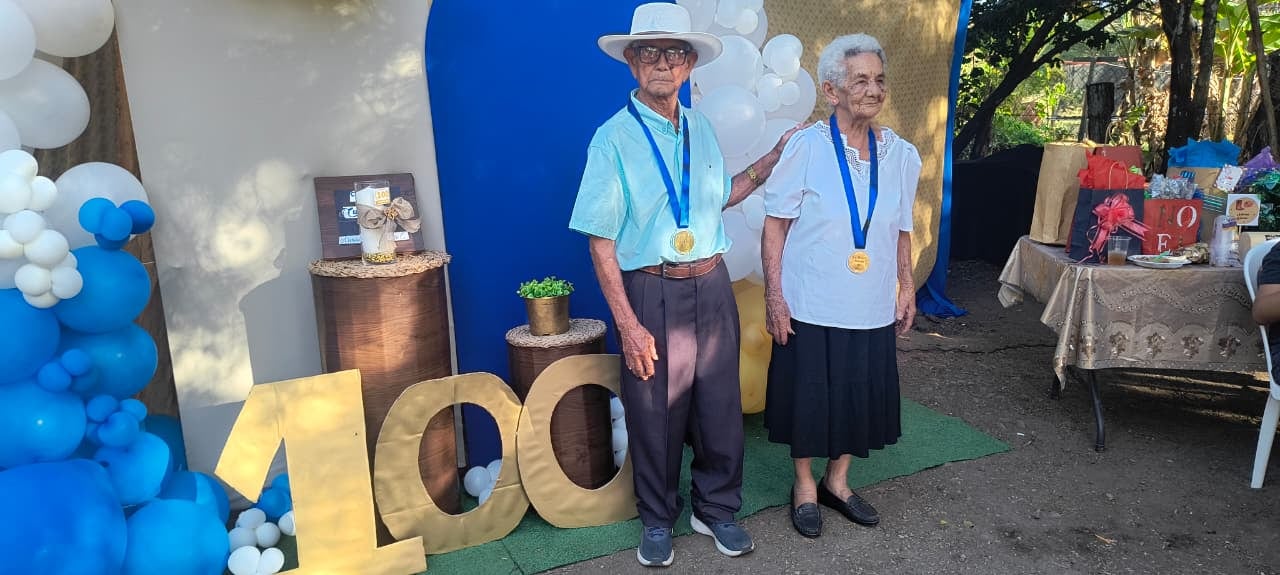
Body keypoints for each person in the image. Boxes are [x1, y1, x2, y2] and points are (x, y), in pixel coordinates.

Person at [569, 2, 801, 568]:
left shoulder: (700, 126)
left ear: (690, 64)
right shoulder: (612, 140)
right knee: (656, 409)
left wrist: (768, 162)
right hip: (652, 289)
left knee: (719, 405)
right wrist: (629, 325)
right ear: (631, 64)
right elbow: (600, 241)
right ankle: (657, 518)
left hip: (712, 283)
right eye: (649, 52)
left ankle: (716, 509)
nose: (662, 64)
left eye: (674, 53)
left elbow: (715, 198)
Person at [760, 33, 921, 539]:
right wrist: (774, 294)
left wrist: (906, 283)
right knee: (810, 395)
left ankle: (838, 480)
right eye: (860, 81)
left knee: (857, 393)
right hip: (810, 300)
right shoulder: (805, 147)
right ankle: (805, 485)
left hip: (869, 301)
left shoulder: (901, 155)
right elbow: (775, 226)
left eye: (879, 80)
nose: (873, 90)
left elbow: (901, 228)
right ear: (831, 91)